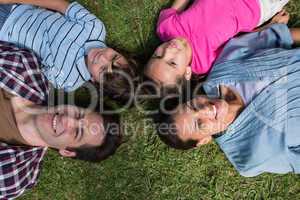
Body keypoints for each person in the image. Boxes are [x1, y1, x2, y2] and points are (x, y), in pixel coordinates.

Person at [156, 23, 300, 177]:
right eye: (199, 123)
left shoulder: (223, 68)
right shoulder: (253, 156)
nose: (206, 109)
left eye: (193, 106)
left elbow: (276, 37)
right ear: (203, 140)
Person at [0, 41, 122, 199]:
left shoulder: (15, 175)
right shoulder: (26, 68)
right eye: (78, 114)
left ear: (67, 151)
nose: (68, 119)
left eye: (77, 132)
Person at [0, 0, 137, 101]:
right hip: (17, 7)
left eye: (102, 69)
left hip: (4, 38)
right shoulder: (94, 27)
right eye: (113, 57)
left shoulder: (69, 81)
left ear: (95, 82)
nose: (102, 58)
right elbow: (58, 5)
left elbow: (29, 68)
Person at [144, 0, 290, 91]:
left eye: (158, 55)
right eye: (172, 63)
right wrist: (270, 27)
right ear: (187, 73)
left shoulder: (166, 28)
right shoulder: (204, 63)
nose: (168, 51)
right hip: (257, 6)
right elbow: (240, 43)